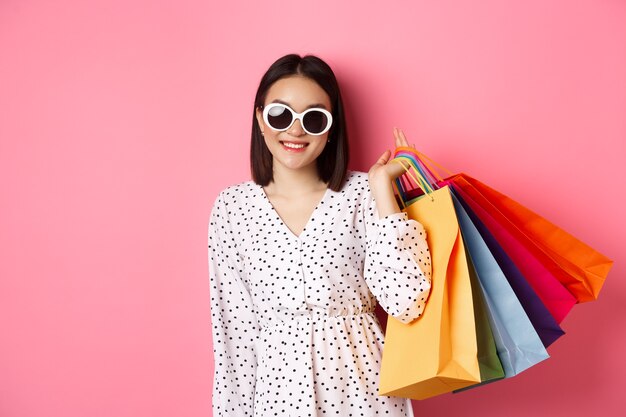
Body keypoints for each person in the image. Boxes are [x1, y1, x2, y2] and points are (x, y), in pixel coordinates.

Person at [208, 53, 432, 417]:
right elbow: (234, 335)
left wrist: (382, 189)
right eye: (280, 114)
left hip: (362, 390)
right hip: (277, 395)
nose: (295, 130)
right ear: (259, 119)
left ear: (330, 129)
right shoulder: (233, 209)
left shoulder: (362, 194)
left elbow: (406, 301)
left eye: (313, 118)